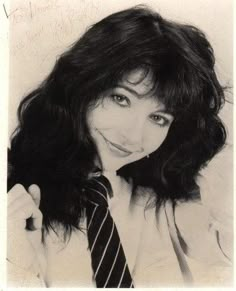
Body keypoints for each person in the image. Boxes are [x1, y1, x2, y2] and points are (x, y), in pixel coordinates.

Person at [7, 6, 233, 288]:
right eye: (121, 99)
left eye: (158, 118)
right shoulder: (14, 196)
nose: (134, 135)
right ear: (83, 86)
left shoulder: (175, 206)